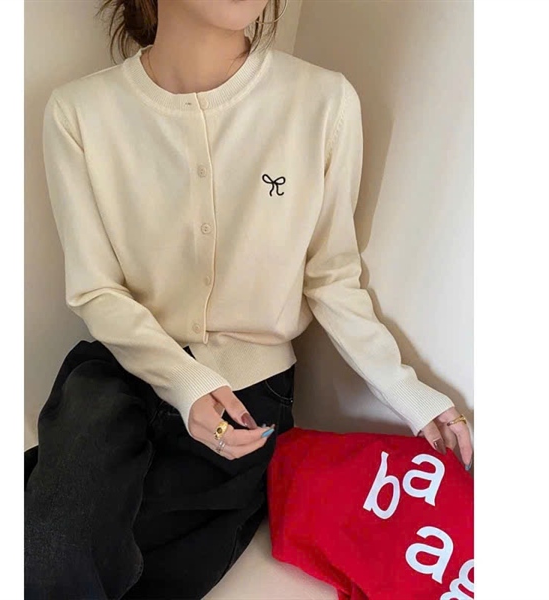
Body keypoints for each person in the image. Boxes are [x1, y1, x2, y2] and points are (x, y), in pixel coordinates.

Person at [24, 0, 474, 598]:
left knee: (154, 575)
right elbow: (95, 288)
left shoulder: (323, 102)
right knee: (51, 548)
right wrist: (183, 383)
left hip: (248, 400)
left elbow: (331, 276)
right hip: (116, 372)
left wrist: (407, 391)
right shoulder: (80, 111)